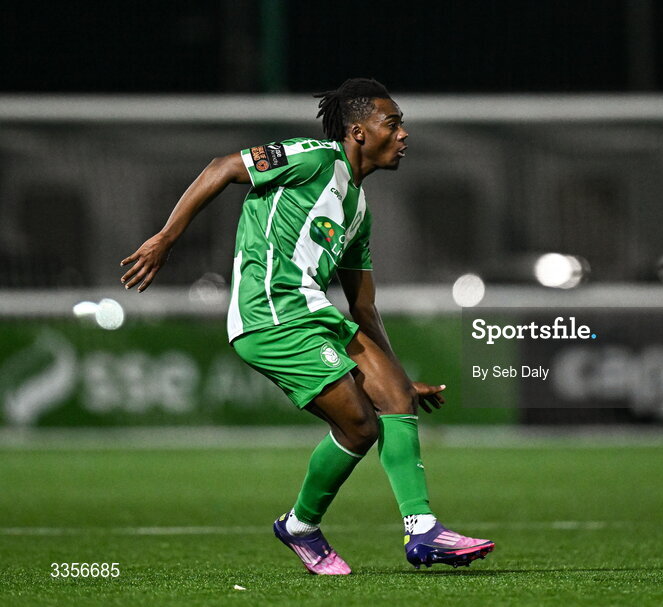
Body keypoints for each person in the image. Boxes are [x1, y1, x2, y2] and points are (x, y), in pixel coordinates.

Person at [120, 78, 494, 575]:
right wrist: (166, 238)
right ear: (359, 132)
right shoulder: (314, 157)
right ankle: (321, 526)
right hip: (269, 312)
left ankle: (408, 530)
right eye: (393, 122)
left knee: (391, 405)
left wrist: (397, 375)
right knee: (360, 422)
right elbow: (223, 167)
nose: (404, 134)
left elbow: (364, 308)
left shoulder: (358, 210)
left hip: (313, 312)